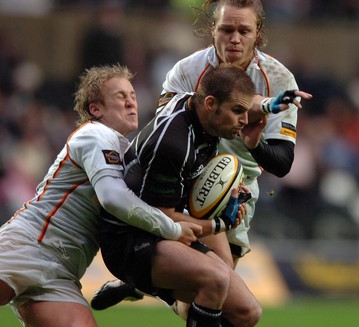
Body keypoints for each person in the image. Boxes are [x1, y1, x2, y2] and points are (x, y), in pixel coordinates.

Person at [91, 0, 312, 312]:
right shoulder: (186, 70)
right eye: (226, 30)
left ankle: (145, 282)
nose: (234, 39)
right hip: (186, 180)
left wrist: (252, 143)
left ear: (258, 35)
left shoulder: (279, 80)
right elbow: (166, 133)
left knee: (204, 295)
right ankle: (143, 274)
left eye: (243, 31)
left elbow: (282, 163)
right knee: (218, 291)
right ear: (213, 30)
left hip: (234, 188)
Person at [0, 64, 200, 327]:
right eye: (120, 96)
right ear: (96, 109)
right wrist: (172, 229)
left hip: (63, 273)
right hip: (29, 246)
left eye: (133, 95)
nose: (131, 103)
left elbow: (147, 207)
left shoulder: (127, 151)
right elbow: (113, 198)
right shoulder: (95, 134)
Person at [98, 64, 263, 327]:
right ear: (210, 103)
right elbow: (160, 216)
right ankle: (146, 285)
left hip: (164, 222)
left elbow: (192, 187)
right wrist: (220, 223)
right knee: (216, 280)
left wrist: (228, 195)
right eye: (238, 111)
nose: (244, 120)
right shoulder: (173, 144)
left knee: (247, 312)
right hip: (130, 238)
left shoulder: (203, 117)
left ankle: (162, 293)